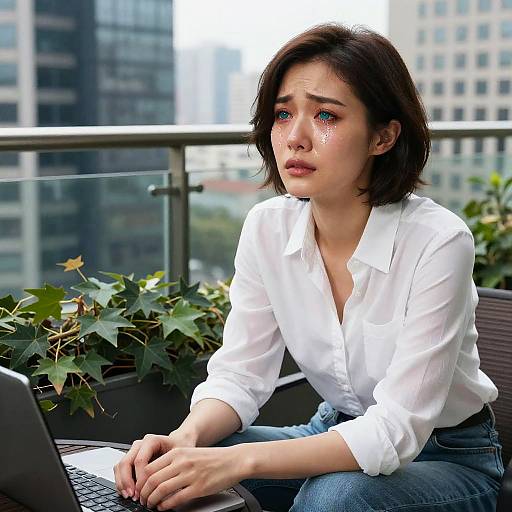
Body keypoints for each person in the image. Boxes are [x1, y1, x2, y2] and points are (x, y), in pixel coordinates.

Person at [113, 23, 505, 512]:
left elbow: (396, 431)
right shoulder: (266, 227)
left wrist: (240, 464)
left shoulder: (439, 241)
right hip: (333, 429)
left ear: (383, 136)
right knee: (173, 470)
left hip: (447, 457)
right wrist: (186, 439)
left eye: (325, 115)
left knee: (334, 497)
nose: (295, 138)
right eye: (282, 114)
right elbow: (239, 376)